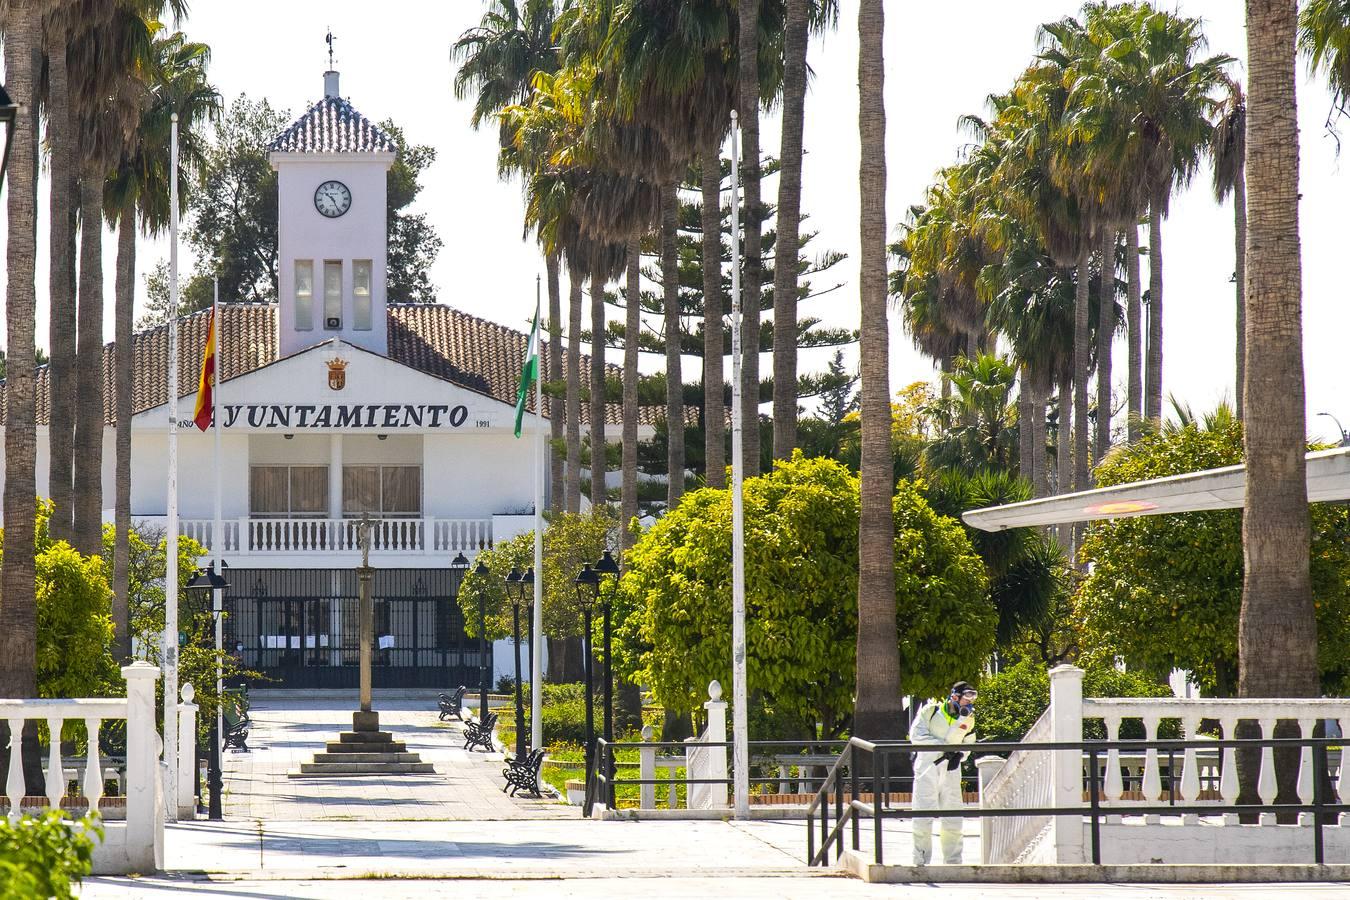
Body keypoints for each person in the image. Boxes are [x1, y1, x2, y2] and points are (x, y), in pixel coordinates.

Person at [909, 680, 978, 866]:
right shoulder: (930, 711)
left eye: (973, 697)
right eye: (967, 696)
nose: (969, 701)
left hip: (951, 770)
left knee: (954, 818)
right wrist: (943, 747)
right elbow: (917, 737)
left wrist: (960, 755)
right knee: (922, 815)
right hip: (928, 768)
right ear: (954, 695)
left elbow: (969, 743)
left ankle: (953, 862)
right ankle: (920, 861)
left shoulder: (969, 718)